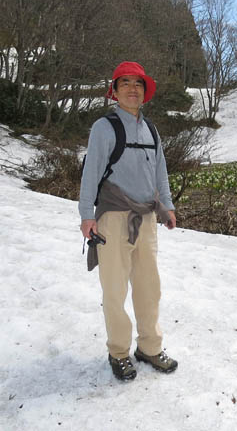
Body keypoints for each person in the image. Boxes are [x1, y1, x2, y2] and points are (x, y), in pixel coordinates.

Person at [79, 61, 178, 381]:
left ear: (145, 91)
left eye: (138, 83)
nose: (133, 88)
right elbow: (91, 171)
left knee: (150, 287)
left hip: (146, 219)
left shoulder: (151, 130)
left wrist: (167, 206)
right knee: (114, 289)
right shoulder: (103, 128)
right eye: (126, 83)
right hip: (113, 218)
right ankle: (119, 351)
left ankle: (149, 346)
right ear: (115, 91)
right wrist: (86, 215)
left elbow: (159, 171)